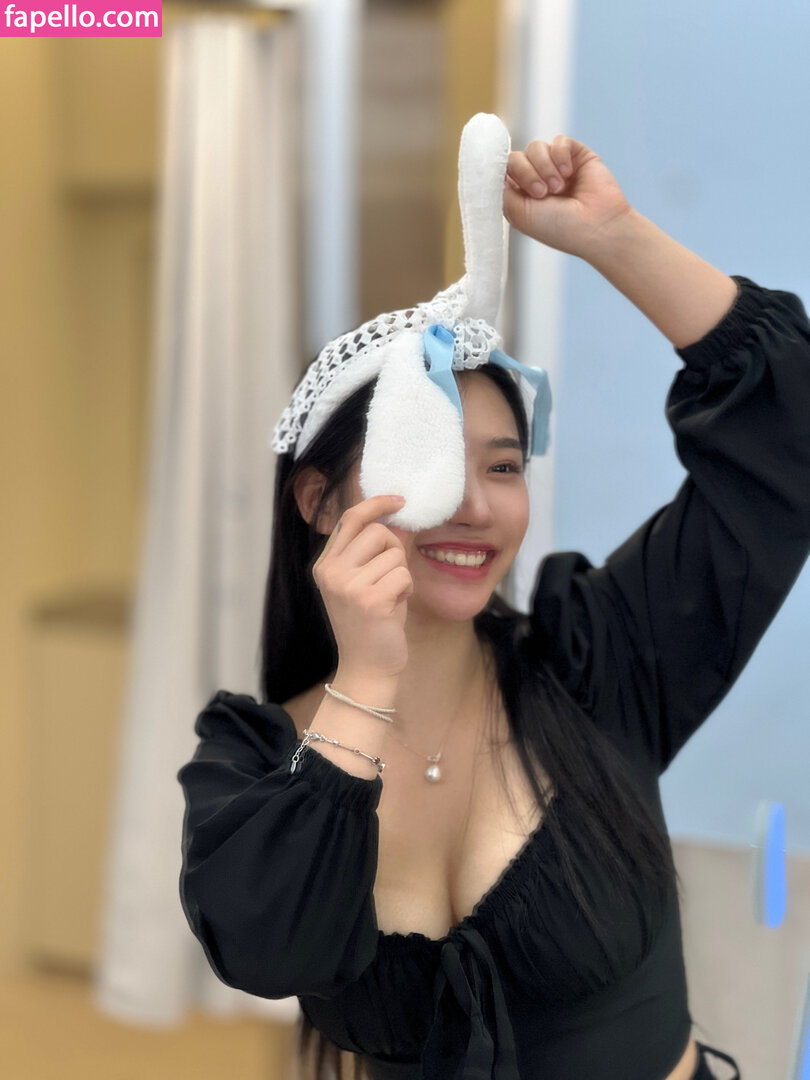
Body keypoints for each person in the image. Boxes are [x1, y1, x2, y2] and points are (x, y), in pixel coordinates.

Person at [177, 130, 810, 1080]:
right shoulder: (254, 761)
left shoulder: (600, 658)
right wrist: (366, 681)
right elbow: (269, 952)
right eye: (430, 465)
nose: (474, 506)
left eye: (505, 467)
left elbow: (787, 427)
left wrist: (614, 236)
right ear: (318, 501)